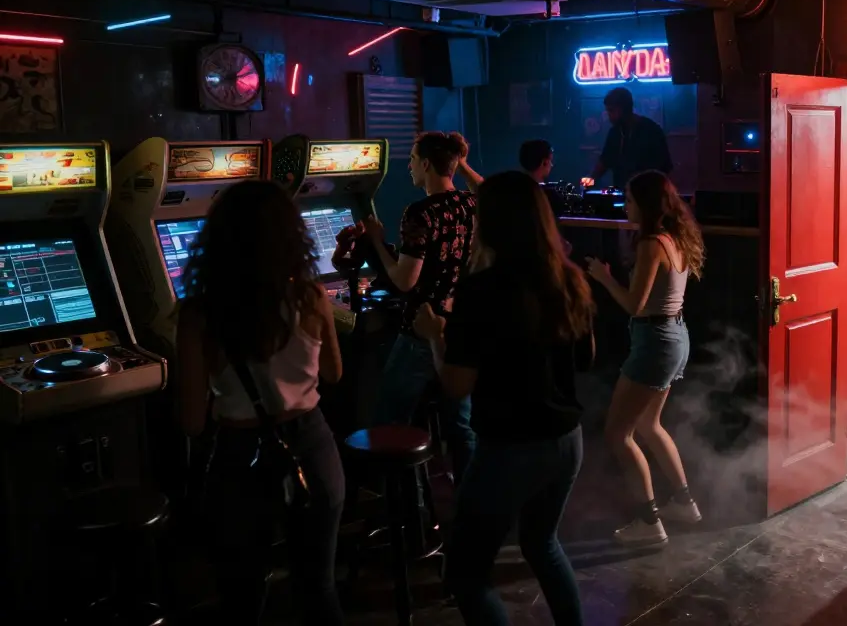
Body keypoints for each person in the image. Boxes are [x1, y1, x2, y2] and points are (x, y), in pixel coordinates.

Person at [414, 170, 593, 625]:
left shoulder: (482, 289)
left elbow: (456, 387)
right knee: (542, 544)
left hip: (511, 448)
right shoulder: (568, 279)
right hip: (567, 440)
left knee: (467, 574)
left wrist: (435, 336)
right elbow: (586, 357)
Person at [174, 180, 345, 625]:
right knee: (318, 588)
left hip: (239, 456)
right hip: (311, 445)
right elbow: (334, 373)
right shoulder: (310, 295)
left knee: (242, 595)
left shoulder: (198, 314)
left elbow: (192, 422)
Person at [585, 170, 704, 546]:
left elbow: (635, 306)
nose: (625, 204)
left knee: (618, 433)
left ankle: (649, 522)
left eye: (630, 199)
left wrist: (604, 279)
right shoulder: (676, 238)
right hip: (673, 336)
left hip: (654, 340)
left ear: (647, 204)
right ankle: (684, 504)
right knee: (650, 426)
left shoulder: (651, 243)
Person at [366, 131, 483, 479]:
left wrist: (376, 242)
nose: (409, 166)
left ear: (427, 164)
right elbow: (484, 189)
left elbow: (405, 281)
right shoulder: (468, 203)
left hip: (421, 329)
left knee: (390, 422)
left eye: (413, 160)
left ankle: (406, 509)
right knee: (460, 424)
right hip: (456, 326)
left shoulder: (420, 212)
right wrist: (460, 163)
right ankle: (470, 497)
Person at [582, 87, 673, 189]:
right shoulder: (615, 132)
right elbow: (605, 161)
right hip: (624, 195)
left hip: (647, 196)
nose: (608, 115)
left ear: (623, 108)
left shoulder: (651, 130)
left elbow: (664, 167)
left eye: (611, 110)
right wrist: (590, 180)